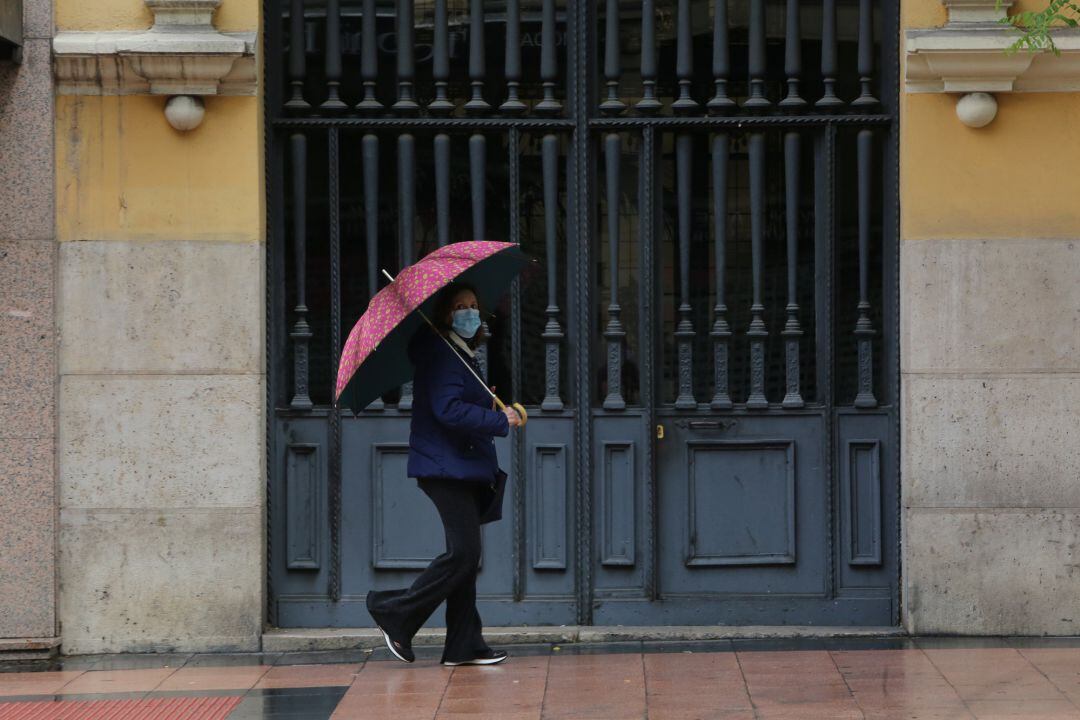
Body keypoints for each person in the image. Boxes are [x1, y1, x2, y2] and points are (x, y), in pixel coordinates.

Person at [366, 282, 522, 666]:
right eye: (459, 307)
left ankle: (464, 645)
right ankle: (395, 613)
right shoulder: (442, 352)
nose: (469, 312)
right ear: (444, 314)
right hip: (445, 466)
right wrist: (497, 418)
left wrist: (487, 402)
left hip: (460, 465)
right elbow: (447, 410)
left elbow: (455, 402)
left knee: (466, 558)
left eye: (473, 305)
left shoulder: (460, 353)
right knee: (464, 553)